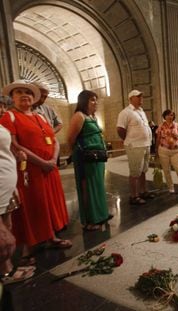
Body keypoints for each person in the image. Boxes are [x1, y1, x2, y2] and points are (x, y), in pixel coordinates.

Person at [0, 80, 71, 267]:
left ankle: (51, 236)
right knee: (32, 207)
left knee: (49, 204)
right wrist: (42, 162)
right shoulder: (9, 116)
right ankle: (27, 249)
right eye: (19, 92)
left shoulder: (41, 117)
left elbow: (53, 139)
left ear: (34, 97)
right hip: (29, 170)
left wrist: (53, 160)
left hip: (49, 169)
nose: (25, 95)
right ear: (12, 97)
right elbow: (15, 145)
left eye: (28, 92)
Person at [67, 90, 111, 231]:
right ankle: (91, 220)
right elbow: (70, 138)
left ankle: (101, 214)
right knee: (89, 187)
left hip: (97, 157)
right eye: (92, 100)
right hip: (86, 158)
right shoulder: (79, 116)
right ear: (83, 101)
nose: (95, 102)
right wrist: (78, 154)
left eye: (96, 100)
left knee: (98, 186)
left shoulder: (92, 117)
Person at [0, 124, 35, 284]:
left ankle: (6, 268)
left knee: (8, 228)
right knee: (4, 240)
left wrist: (15, 156)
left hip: (6, 187)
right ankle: (5, 273)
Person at [117, 90, 154, 205]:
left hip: (145, 144)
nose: (141, 98)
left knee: (143, 170)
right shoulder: (125, 112)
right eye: (138, 96)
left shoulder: (141, 111)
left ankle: (143, 191)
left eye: (141, 96)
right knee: (135, 172)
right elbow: (120, 129)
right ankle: (134, 196)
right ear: (131, 98)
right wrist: (129, 140)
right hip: (135, 146)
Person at [155, 109, 178, 193]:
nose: (170, 117)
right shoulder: (161, 126)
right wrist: (156, 151)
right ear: (164, 116)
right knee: (166, 170)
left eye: (171, 115)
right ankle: (170, 187)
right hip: (163, 150)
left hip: (175, 150)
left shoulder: (177, 125)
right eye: (168, 115)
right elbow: (158, 139)